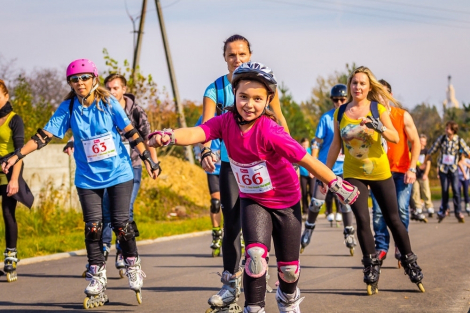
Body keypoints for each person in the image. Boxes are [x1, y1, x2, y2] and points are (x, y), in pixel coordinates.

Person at [148, 62, 359, 313]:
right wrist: (169, 136)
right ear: (234, 93)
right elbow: (199, 132)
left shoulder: (271, 131)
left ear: (268, 99)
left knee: (289, 270)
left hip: (286, 202)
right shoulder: (225, 122)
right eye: (243, 97)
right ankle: (254, 307)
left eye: (258, 99)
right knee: (256, 257)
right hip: (254, 200)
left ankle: (288, 299)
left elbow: (306, 159)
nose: (249, 104)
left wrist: (334, 183)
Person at [2, 59, 160, 307]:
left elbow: (130, 131)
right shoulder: (69, 107)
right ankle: (96, 274)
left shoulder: (108, 102)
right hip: (87, 177)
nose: (80, 83)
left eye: (84, 78)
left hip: (119, 172)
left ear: (94, 79)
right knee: (93, 227)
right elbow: (43, 136)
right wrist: (17, 155)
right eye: (74, 79)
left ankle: (132, 263)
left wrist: (149, 158)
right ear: (70, 84)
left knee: (121, 223)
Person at [199, 35, 289, 311]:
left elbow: (280, 120)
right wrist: (205, 150)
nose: (237, 59)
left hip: (263, 165)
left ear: (250, 55)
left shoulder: (263, 85)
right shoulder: (214, 89)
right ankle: (229, 285)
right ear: (225, 58)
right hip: (231, 165)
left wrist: (289, 153)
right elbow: (206, 126)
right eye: (231, 55)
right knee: (232, 226)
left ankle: (261, 272)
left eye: (242, 54)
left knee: (260, 223)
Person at [326, 66, 425, 295]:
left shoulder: (377, 108)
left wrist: (378, 126)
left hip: (380, 172)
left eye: (362, 83)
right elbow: (335, 145)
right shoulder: (340, 113)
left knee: (393, 218)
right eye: (354, 83)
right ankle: (371, 266)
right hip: (353, 173)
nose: (357, 87)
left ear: (369, 87)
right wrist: (325, 172)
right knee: (362, 219)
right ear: (350, 86)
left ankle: (410, 261)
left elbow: (395, 136)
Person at [300, 84, 357, 256]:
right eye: (335, 100)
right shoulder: (326, 118)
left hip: (346, 168)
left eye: (342, 99)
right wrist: (314, 163)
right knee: (317, 202)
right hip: (327, 167)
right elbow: (316, 142)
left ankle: (349, 233)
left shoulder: (354, 117)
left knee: (345, 203)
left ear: (347, 99)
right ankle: (308, 230)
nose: (339, 102)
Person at [371, 79, 421, 266]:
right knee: (377, 212)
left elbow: (415, 142)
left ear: (390, 96)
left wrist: (412, 168)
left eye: (382, 94)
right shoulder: (371, 117)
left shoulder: (402, 116)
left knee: (400, 209)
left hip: (402, 171)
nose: (379, 98)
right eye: (375, 95)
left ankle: (401, 246)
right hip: (378, 172)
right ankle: (381, 247)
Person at [0, 79, 34, 282]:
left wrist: (14, 179)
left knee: (7, 213)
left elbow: (20, 152)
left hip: (9, 169)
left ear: (6, 96)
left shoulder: (15, 119)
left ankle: (11, 256)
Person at [424, 121, 470, 223]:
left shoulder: (458, 140)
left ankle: (458, 212)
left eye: (448, 128)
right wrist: (424, 162)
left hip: (453, 169)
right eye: (446, 128)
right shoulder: (442, 139)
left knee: (456, 191)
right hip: (443, 169)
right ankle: (444, 210)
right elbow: (431, 151)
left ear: (453, 130)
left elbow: (467, 151)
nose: (446, 130)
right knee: (444, 191)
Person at [194, 115, 223, 257]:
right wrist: (201, 152)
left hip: (232, 168)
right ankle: (217, 234)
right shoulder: (206, 115)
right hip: (214, 169)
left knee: (235, 204)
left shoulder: (234, 112)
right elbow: (196, 135)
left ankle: (240, 233)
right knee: (216, 203)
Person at [410, 134, 435, 217]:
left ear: (425, 143)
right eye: (420, 141)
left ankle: (429, 207)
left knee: (426, 191)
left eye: (423, 141)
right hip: (414, 174)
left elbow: (428, 164)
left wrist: (426, 174)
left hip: (423, 175)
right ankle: (418, 207)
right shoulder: (412, 150)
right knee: (415, 192)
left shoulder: (427, 152)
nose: (421, 143)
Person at [298, 138, 313, 217]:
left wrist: (312, 172)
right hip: (303, 174)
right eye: (303, 145)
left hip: (311, 175)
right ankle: (305, 211)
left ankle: (312, 210)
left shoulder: (311, 151)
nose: (305, 147)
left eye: (306, 145)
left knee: (311, 192)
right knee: (303, 193)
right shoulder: (298, 150)